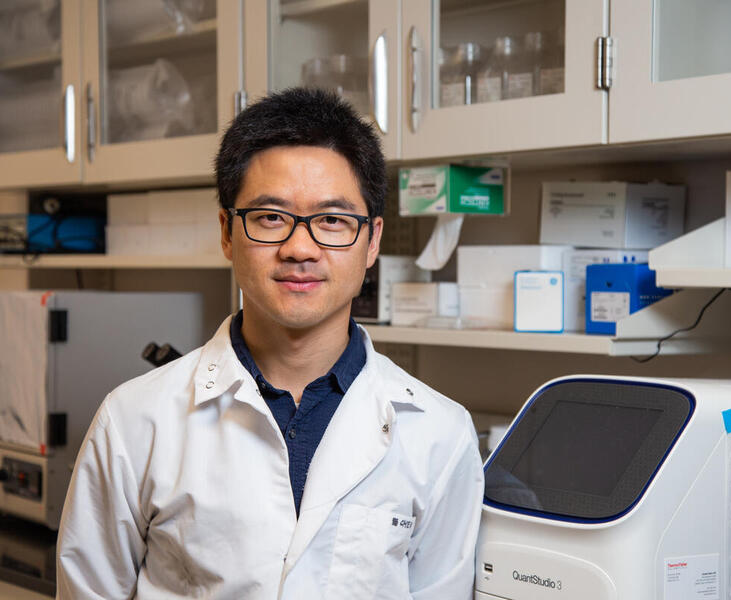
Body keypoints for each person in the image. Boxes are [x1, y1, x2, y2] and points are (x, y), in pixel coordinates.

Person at [56, 88, 485, 599]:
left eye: (332, 220)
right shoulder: (134, 421)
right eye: (270, 218)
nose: (300, 248)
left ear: (372, 241)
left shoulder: (439, 435)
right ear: (227, 232)